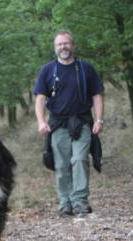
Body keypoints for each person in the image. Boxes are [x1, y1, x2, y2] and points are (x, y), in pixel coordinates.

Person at [33, 29, 105, 216]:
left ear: (73, 46)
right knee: (62, 165)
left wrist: (99, 119)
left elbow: (97, 95)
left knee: (79, 159)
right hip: (57, 124)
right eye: (60, 44)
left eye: (66, 43)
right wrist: (41, 121)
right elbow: (40, 98)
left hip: (82, 122)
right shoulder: (47, 70)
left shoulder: (86, 68)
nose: (63, 47)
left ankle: (80, 201)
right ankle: (65, 203)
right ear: (55, 48)